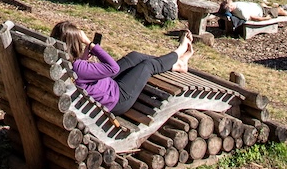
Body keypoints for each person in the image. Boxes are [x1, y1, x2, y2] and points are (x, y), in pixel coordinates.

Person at [50, 20, 194, 115]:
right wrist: (90, 44)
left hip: (105, 87)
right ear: (74, 45)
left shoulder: (62, 62)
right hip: (118, 98)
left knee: (134, 57)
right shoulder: (79, 68)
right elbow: (113, 68)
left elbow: (82, 74)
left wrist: (82, 57)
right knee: (147, 66)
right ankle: (180, 51)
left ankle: (175, 64)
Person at [216, 0, 287, 34]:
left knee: (272, 7)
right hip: (261, 12)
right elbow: (253, 17)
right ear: (230, 8)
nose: (231, 1)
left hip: (258, 7)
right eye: (230, 3)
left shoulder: (235, 6)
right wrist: (265, 18)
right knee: (279, 10)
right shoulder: (240, 11)